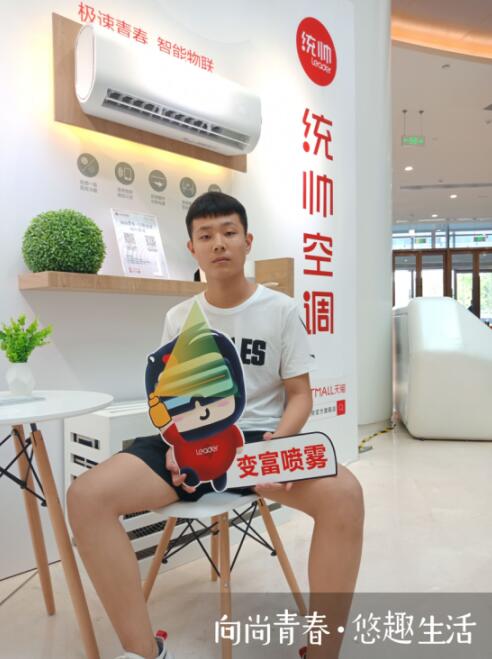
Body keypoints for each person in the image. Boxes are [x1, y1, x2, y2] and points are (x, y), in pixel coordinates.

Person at [67, 192, 364, 659]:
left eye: (229, 232)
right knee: (86, 497)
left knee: (345, 495)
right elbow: (170, 399)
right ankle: (143, 651)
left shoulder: (281, 309)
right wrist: (172, 446)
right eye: (206, 236)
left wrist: (277, 447)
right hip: (189, 439)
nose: (219, 243)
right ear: (192, 248)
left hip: (259, 440)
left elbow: (300, 395)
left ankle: (324, 652)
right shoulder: (179, 317)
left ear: (248, 242)